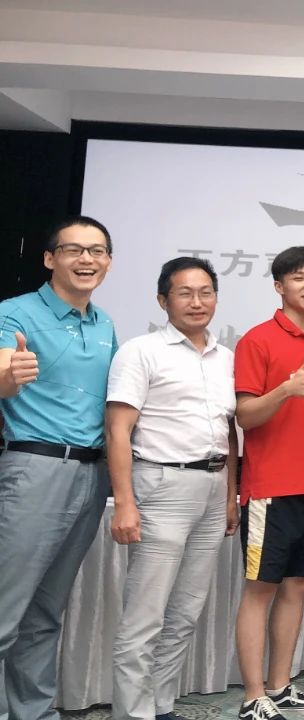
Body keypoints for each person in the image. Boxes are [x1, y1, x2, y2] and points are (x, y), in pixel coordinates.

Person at [105, 257, 239, 720]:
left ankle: (160, 706)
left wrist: (229, 496)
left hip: (213, 487)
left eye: (206, 292)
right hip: (162, 485)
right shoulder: (140, 351)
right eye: (185, 293)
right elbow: (117, 430)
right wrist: (125, 502)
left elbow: (229, 432)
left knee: (185, 612)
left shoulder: (226, 358)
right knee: (145, 616)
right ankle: (133, 713)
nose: (197, 302)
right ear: (163, 300)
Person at [0, 216, 117, 720]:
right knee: (5, 609)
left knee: (45, 611)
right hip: (36, 468)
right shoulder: (15, 312)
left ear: (108, 262)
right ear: (50, 258)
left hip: (92, 475)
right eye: (74, 249)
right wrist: (10, 373)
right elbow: (4, 372)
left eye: (98, 251)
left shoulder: (105, 323)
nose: (87, 259)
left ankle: (34, 713)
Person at [233, 247, 304, 720]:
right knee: (261, 590)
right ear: (279, 286)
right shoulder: (257, 340)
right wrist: (285, 390)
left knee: (297, 588)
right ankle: (252, 696)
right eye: (299, 278)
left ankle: (279, 686)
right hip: (270, 491)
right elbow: (246, 415)